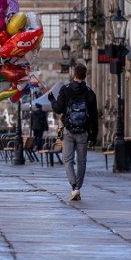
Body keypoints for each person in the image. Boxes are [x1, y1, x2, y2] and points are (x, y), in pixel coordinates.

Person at [49, 63, 98, 201]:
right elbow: (94, 115)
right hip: (83, 131)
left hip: (68, 130)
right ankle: (78, 187)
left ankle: (74, 186)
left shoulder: (66, 90)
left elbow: (58, 109)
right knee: (82, 161)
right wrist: (94, 133)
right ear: (85, 75)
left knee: (68, 160)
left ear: (73, 74)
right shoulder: (89, 93)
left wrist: (52, 99)